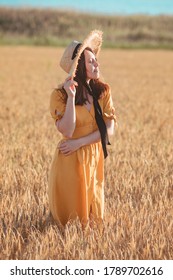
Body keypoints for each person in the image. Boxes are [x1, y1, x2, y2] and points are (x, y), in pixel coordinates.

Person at [49, 30, 117, 227]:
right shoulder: (60, 96)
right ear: (79, 67)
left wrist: (80, 142)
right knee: (70, 221)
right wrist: (71, 98)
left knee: (94, 219)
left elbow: (109, 130)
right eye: (90, 61)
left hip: (93, 156)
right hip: (69, 160)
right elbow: (67, 132)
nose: (97, 64)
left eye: (96, 59)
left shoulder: (103, 91)